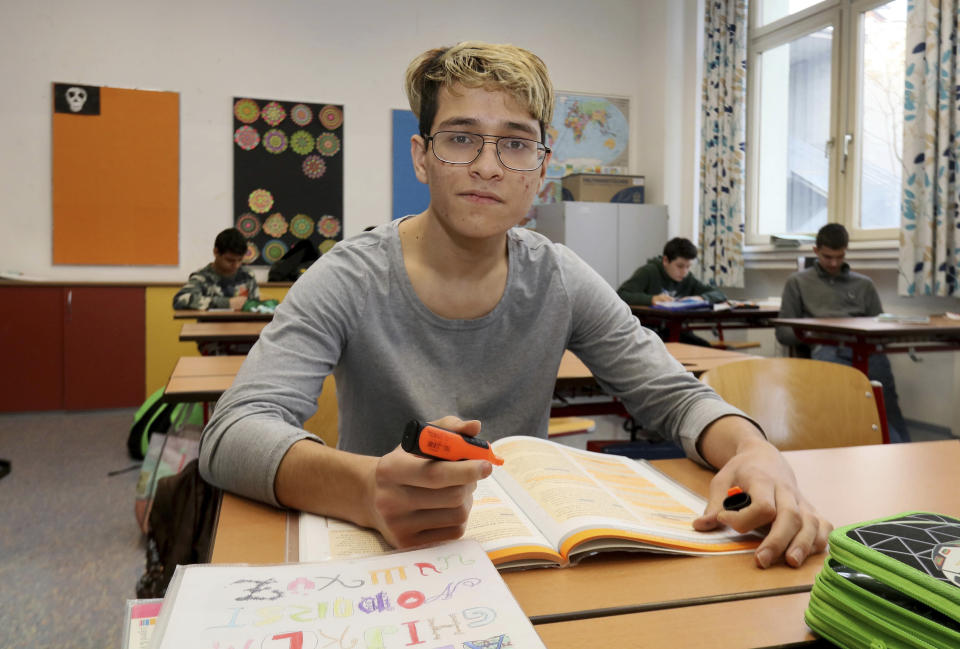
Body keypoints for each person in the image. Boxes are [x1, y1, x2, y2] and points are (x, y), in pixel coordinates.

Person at [200, 41, 830, 569]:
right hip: (386, 554)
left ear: (541, 169)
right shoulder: (349, 275)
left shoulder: (556, 275)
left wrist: (754, 451)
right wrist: (366, 491)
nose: (488, 166)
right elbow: (232, 433)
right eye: (460, 139)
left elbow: (677, 396)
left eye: (516, 144)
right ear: (421, 157)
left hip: (530, 555)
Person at [775, 223, 909, 442]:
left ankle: (902, 451)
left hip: (864, 349)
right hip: (824, 348)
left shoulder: (864, 285)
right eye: (827, 257)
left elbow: (879, 328)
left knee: (886, 402)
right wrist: (816, 334)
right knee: (842, 402)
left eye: (839, 256)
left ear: (846, 251)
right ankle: (846, 445)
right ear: (816, 251)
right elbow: (783, 332)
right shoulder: (797, 282)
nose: (834, 263)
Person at [617, 237, 727, 346]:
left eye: (688, 267)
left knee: (704, 348)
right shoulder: (649, 272)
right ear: (665, 261)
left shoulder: (688, 278)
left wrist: (701, 298)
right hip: (650, 333)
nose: (684, 272)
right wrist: (652, 299)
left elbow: (719, 294)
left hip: (678, 331)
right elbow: (621, 295)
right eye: (680, 266)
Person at [172, 227, 259, 312]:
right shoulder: (202, 277)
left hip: (244, 325)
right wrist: (226, 303)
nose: (236, 265)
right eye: (230, 260)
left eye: (240, 260)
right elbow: (180, 300)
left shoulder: (247, 275)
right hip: (210, 325)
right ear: (216, 252)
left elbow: (256, 306)